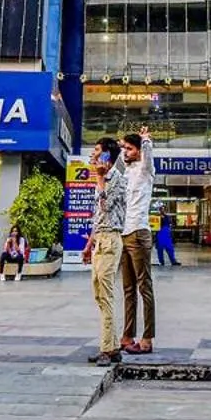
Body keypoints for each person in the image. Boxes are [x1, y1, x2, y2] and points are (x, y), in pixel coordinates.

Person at [117, 125, 156, 354]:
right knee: (128, 289)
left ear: (139, 151)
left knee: (144, 287)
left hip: (139, 233)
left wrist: (146, 142)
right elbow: (114, 166)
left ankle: (147, 338)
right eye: (125, 149)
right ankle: (127, 335)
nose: (127, 152)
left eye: (130, 149)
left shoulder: (145, 169)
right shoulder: (127, 172)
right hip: (124, 233)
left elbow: (148, 157)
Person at [87, 136, 125, 366]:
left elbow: (105, 205)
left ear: (106, 157)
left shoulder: (116, 179)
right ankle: (113, 347)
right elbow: (98, 216)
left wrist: (100, 178)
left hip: (111, 240)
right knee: (99, 294)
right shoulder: (101, 179)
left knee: (106, 295)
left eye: (97, 151)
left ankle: (106, 348)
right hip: (100, 239)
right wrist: (89, 243)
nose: (92, 155)